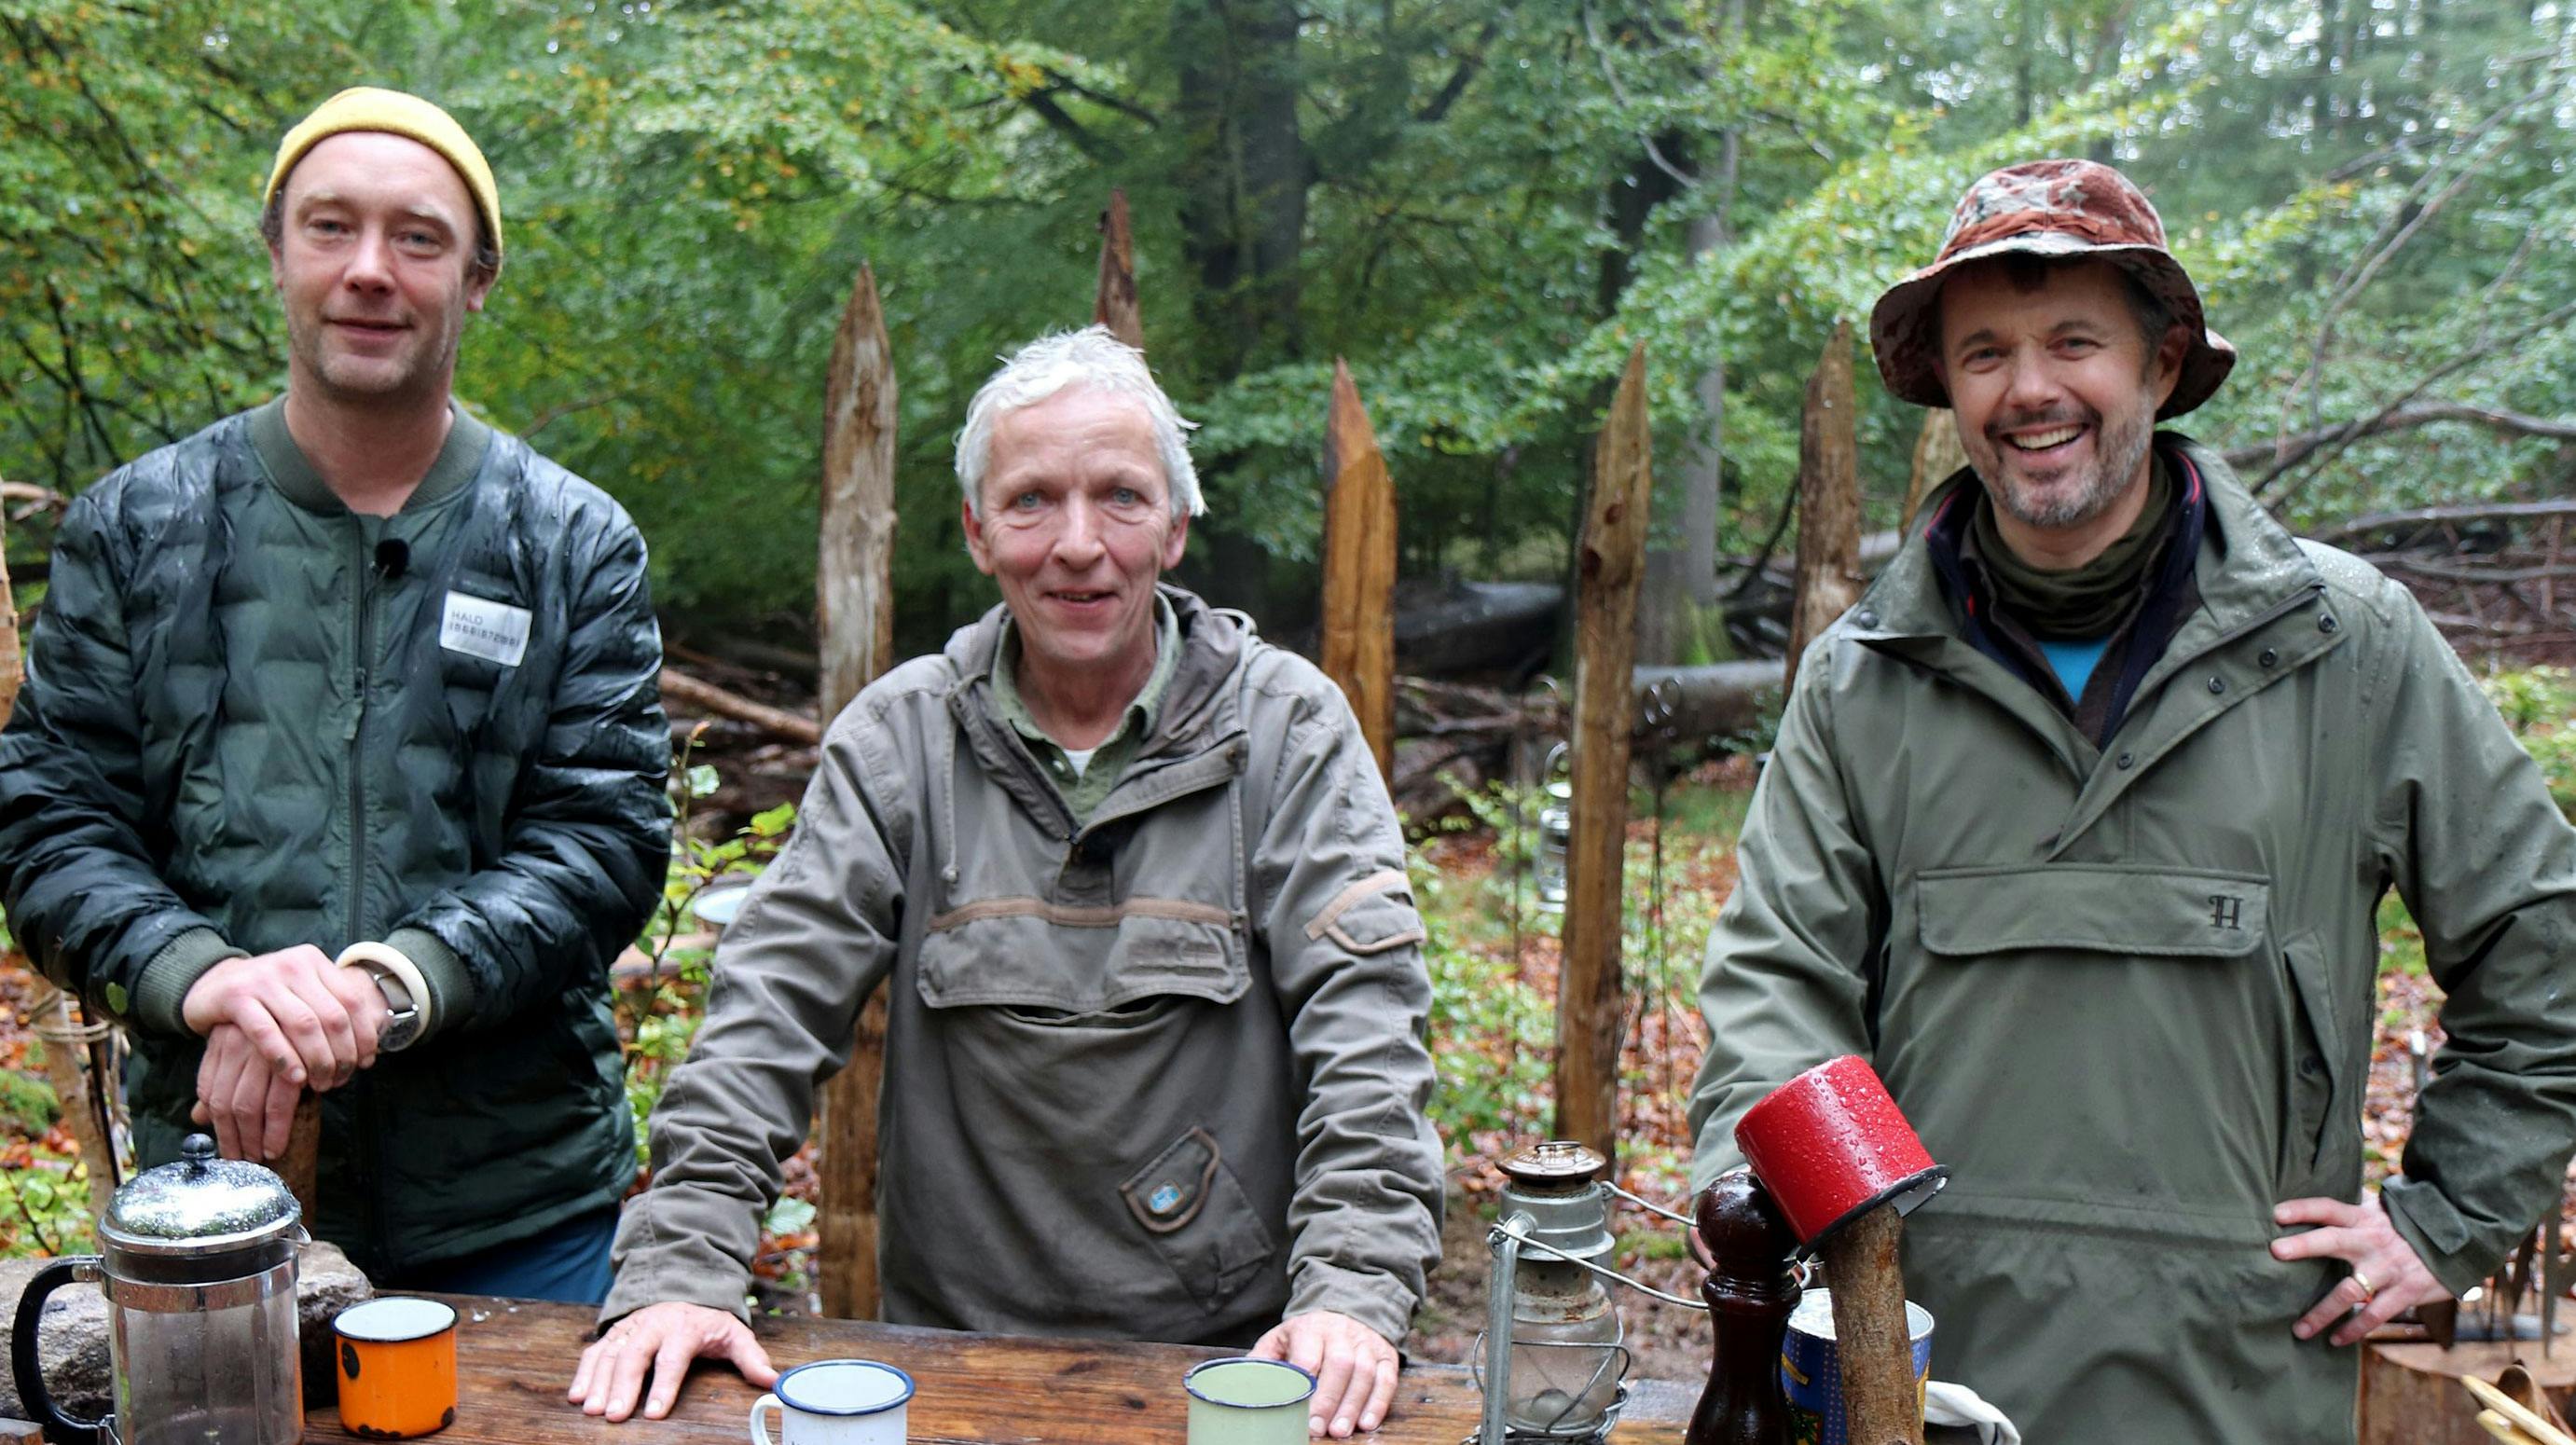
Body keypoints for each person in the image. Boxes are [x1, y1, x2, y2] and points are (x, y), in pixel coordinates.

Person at [1686, 158, 2576, 1441]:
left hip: (2243, 1381)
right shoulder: (1859, 682)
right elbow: (1776, 984)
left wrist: (2444, 1220)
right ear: (1944, 388)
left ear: (2160, 365)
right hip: (1920, 1380)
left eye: (2072, 341)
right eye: (1982, 351)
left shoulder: (2345, 647)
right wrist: (1761, 1222)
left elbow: (2540, 945)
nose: (2028, 388)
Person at [571, 327, 1441, 1438]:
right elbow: (763, 1015)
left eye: (1121, 497)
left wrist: (1350, 1294)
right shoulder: (900, 742)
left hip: (1238, 1364)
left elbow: (1369, 1034)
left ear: (1176, 527)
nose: (1078, 544)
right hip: (950, 1370)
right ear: (980, 533)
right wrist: (682, 1266)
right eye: (1032, 501)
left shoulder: (1289, 731)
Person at [0, 88, 670, 1303]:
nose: (370, 269)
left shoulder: (571, 540)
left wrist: (392, 982)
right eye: (330, 227)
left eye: (417, 237)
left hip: (523, 1210)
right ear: (275, 254)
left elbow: (604, 838)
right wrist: (206, 976)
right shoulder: (137, 529)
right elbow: (50, 823)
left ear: (476, 280)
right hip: (219, 1208)